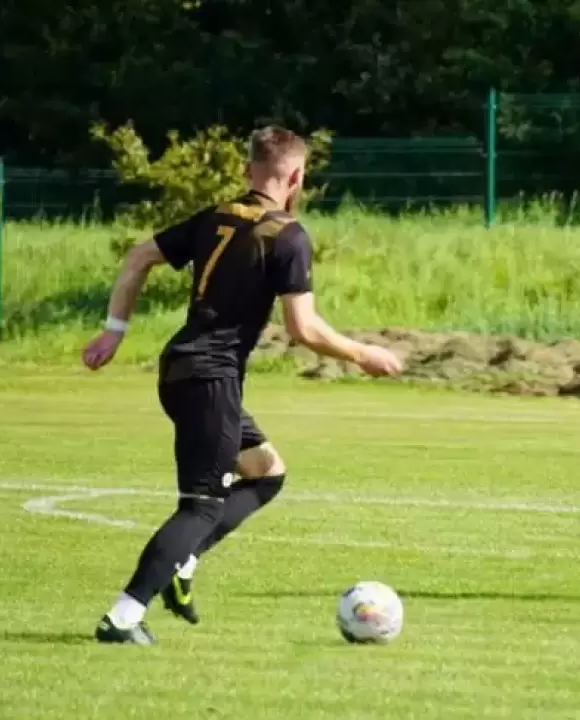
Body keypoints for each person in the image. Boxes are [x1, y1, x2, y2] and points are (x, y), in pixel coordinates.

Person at [82, 125, 404, 645]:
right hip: (210, 380)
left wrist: (113, 331)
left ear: (247, 169)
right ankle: (123, 617)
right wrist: (363, 353)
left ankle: (183, 563)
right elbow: (304, 328)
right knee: (201, 505)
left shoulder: (217, 216)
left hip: (182, 370)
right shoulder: (288, 236)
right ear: (297, 177)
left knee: (266, 473)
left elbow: (139, 256)